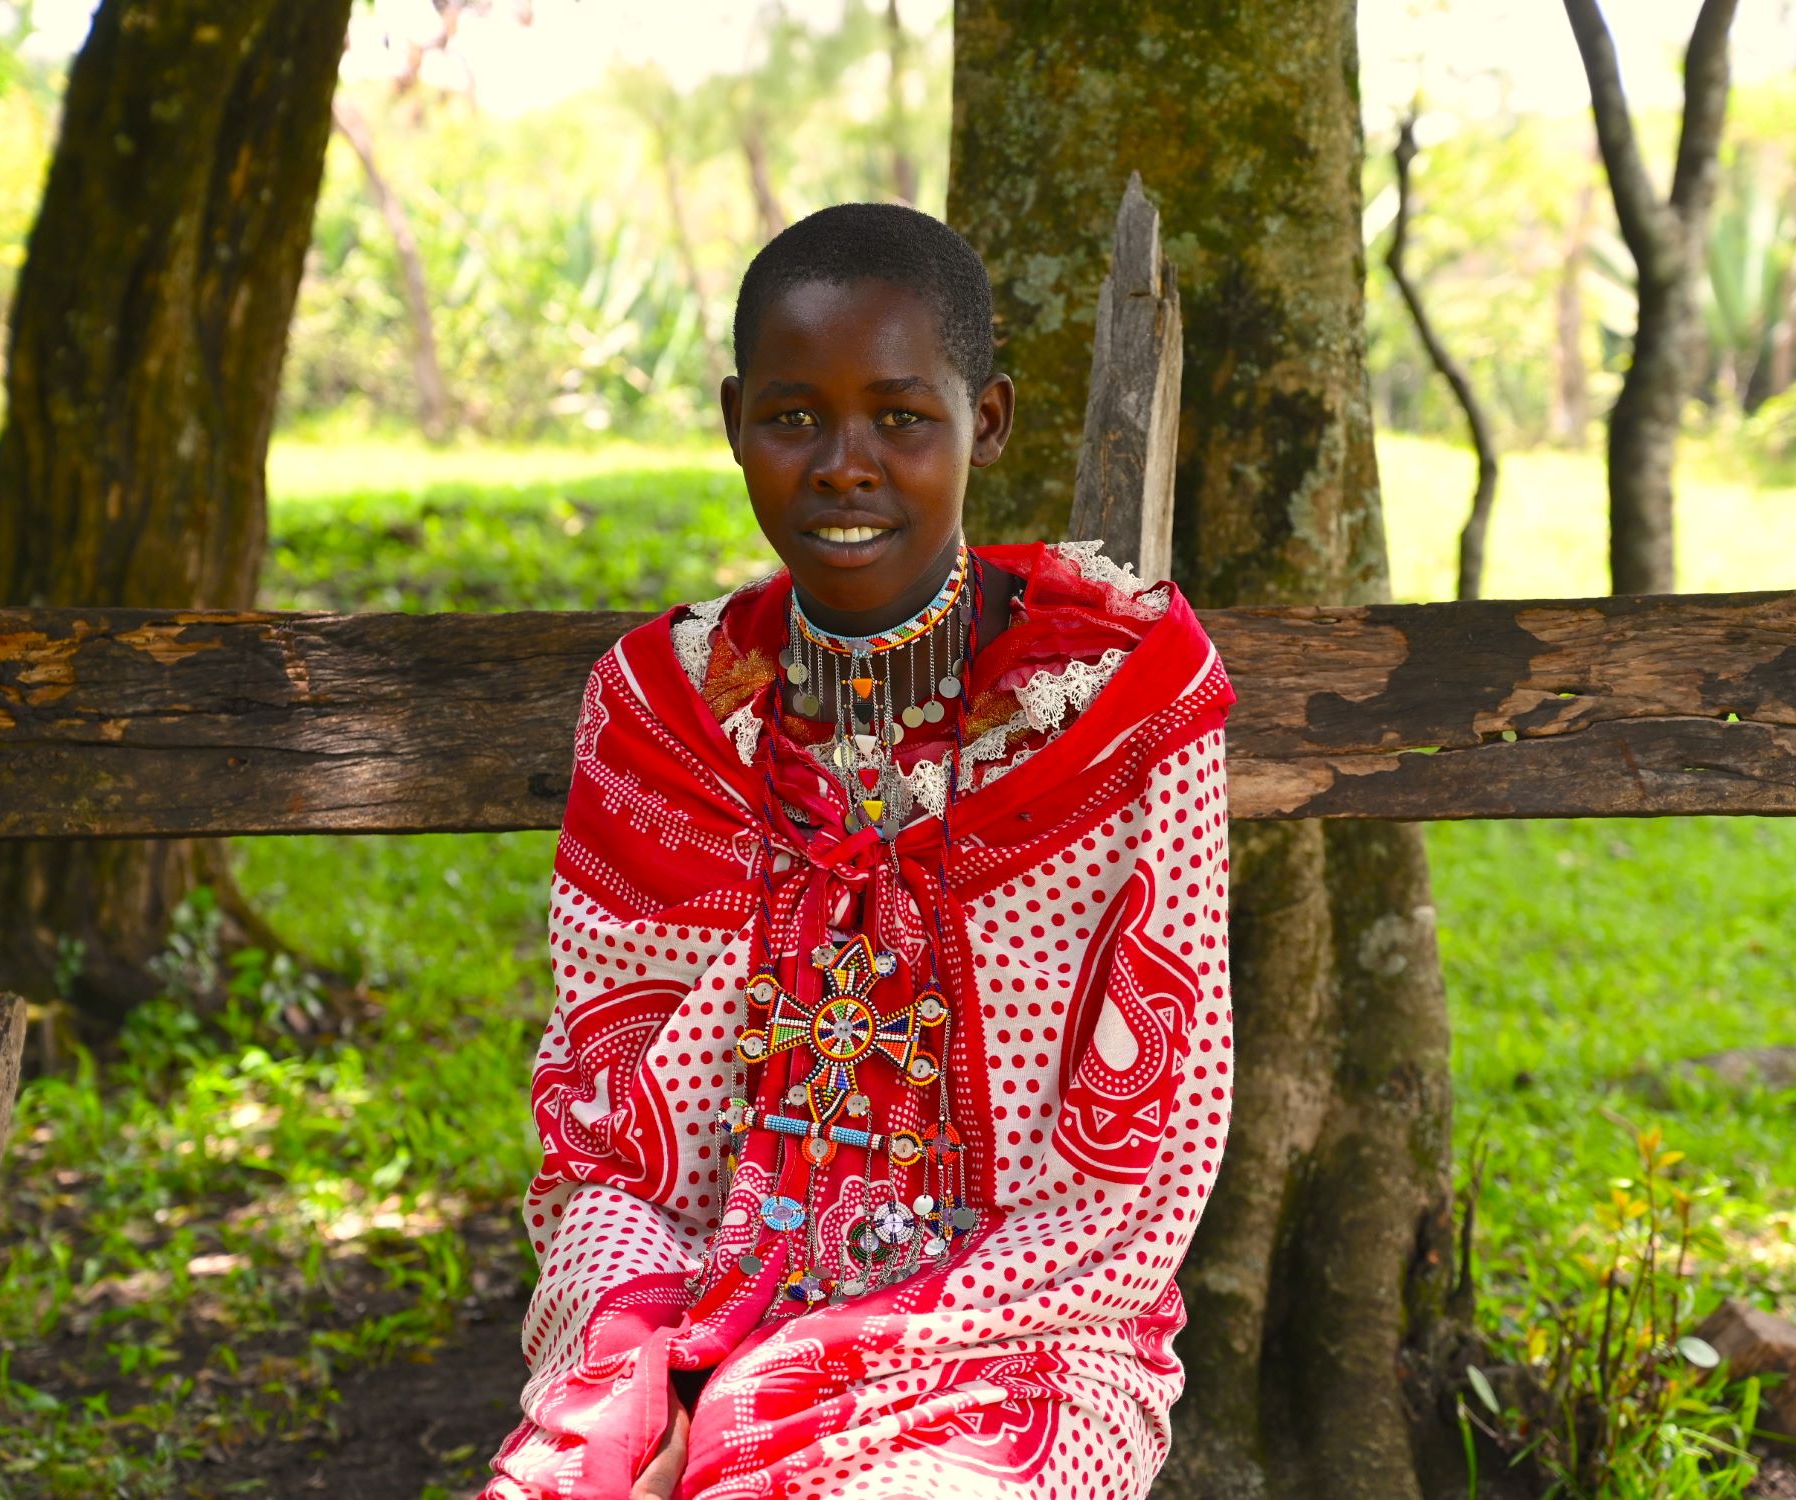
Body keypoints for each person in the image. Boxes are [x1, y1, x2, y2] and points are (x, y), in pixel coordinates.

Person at [480, 202, 1236, 1500]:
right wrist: (645, 1379)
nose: (842, 463)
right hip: (693, 1294)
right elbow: (613, 1144)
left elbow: (1139, 1159)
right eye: (792, 417)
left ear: (984, 422)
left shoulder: (1121, 704)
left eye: (900, 416)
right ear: (732, 423)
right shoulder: (665, 714)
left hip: (1031, 1332)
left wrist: (803, 1380)